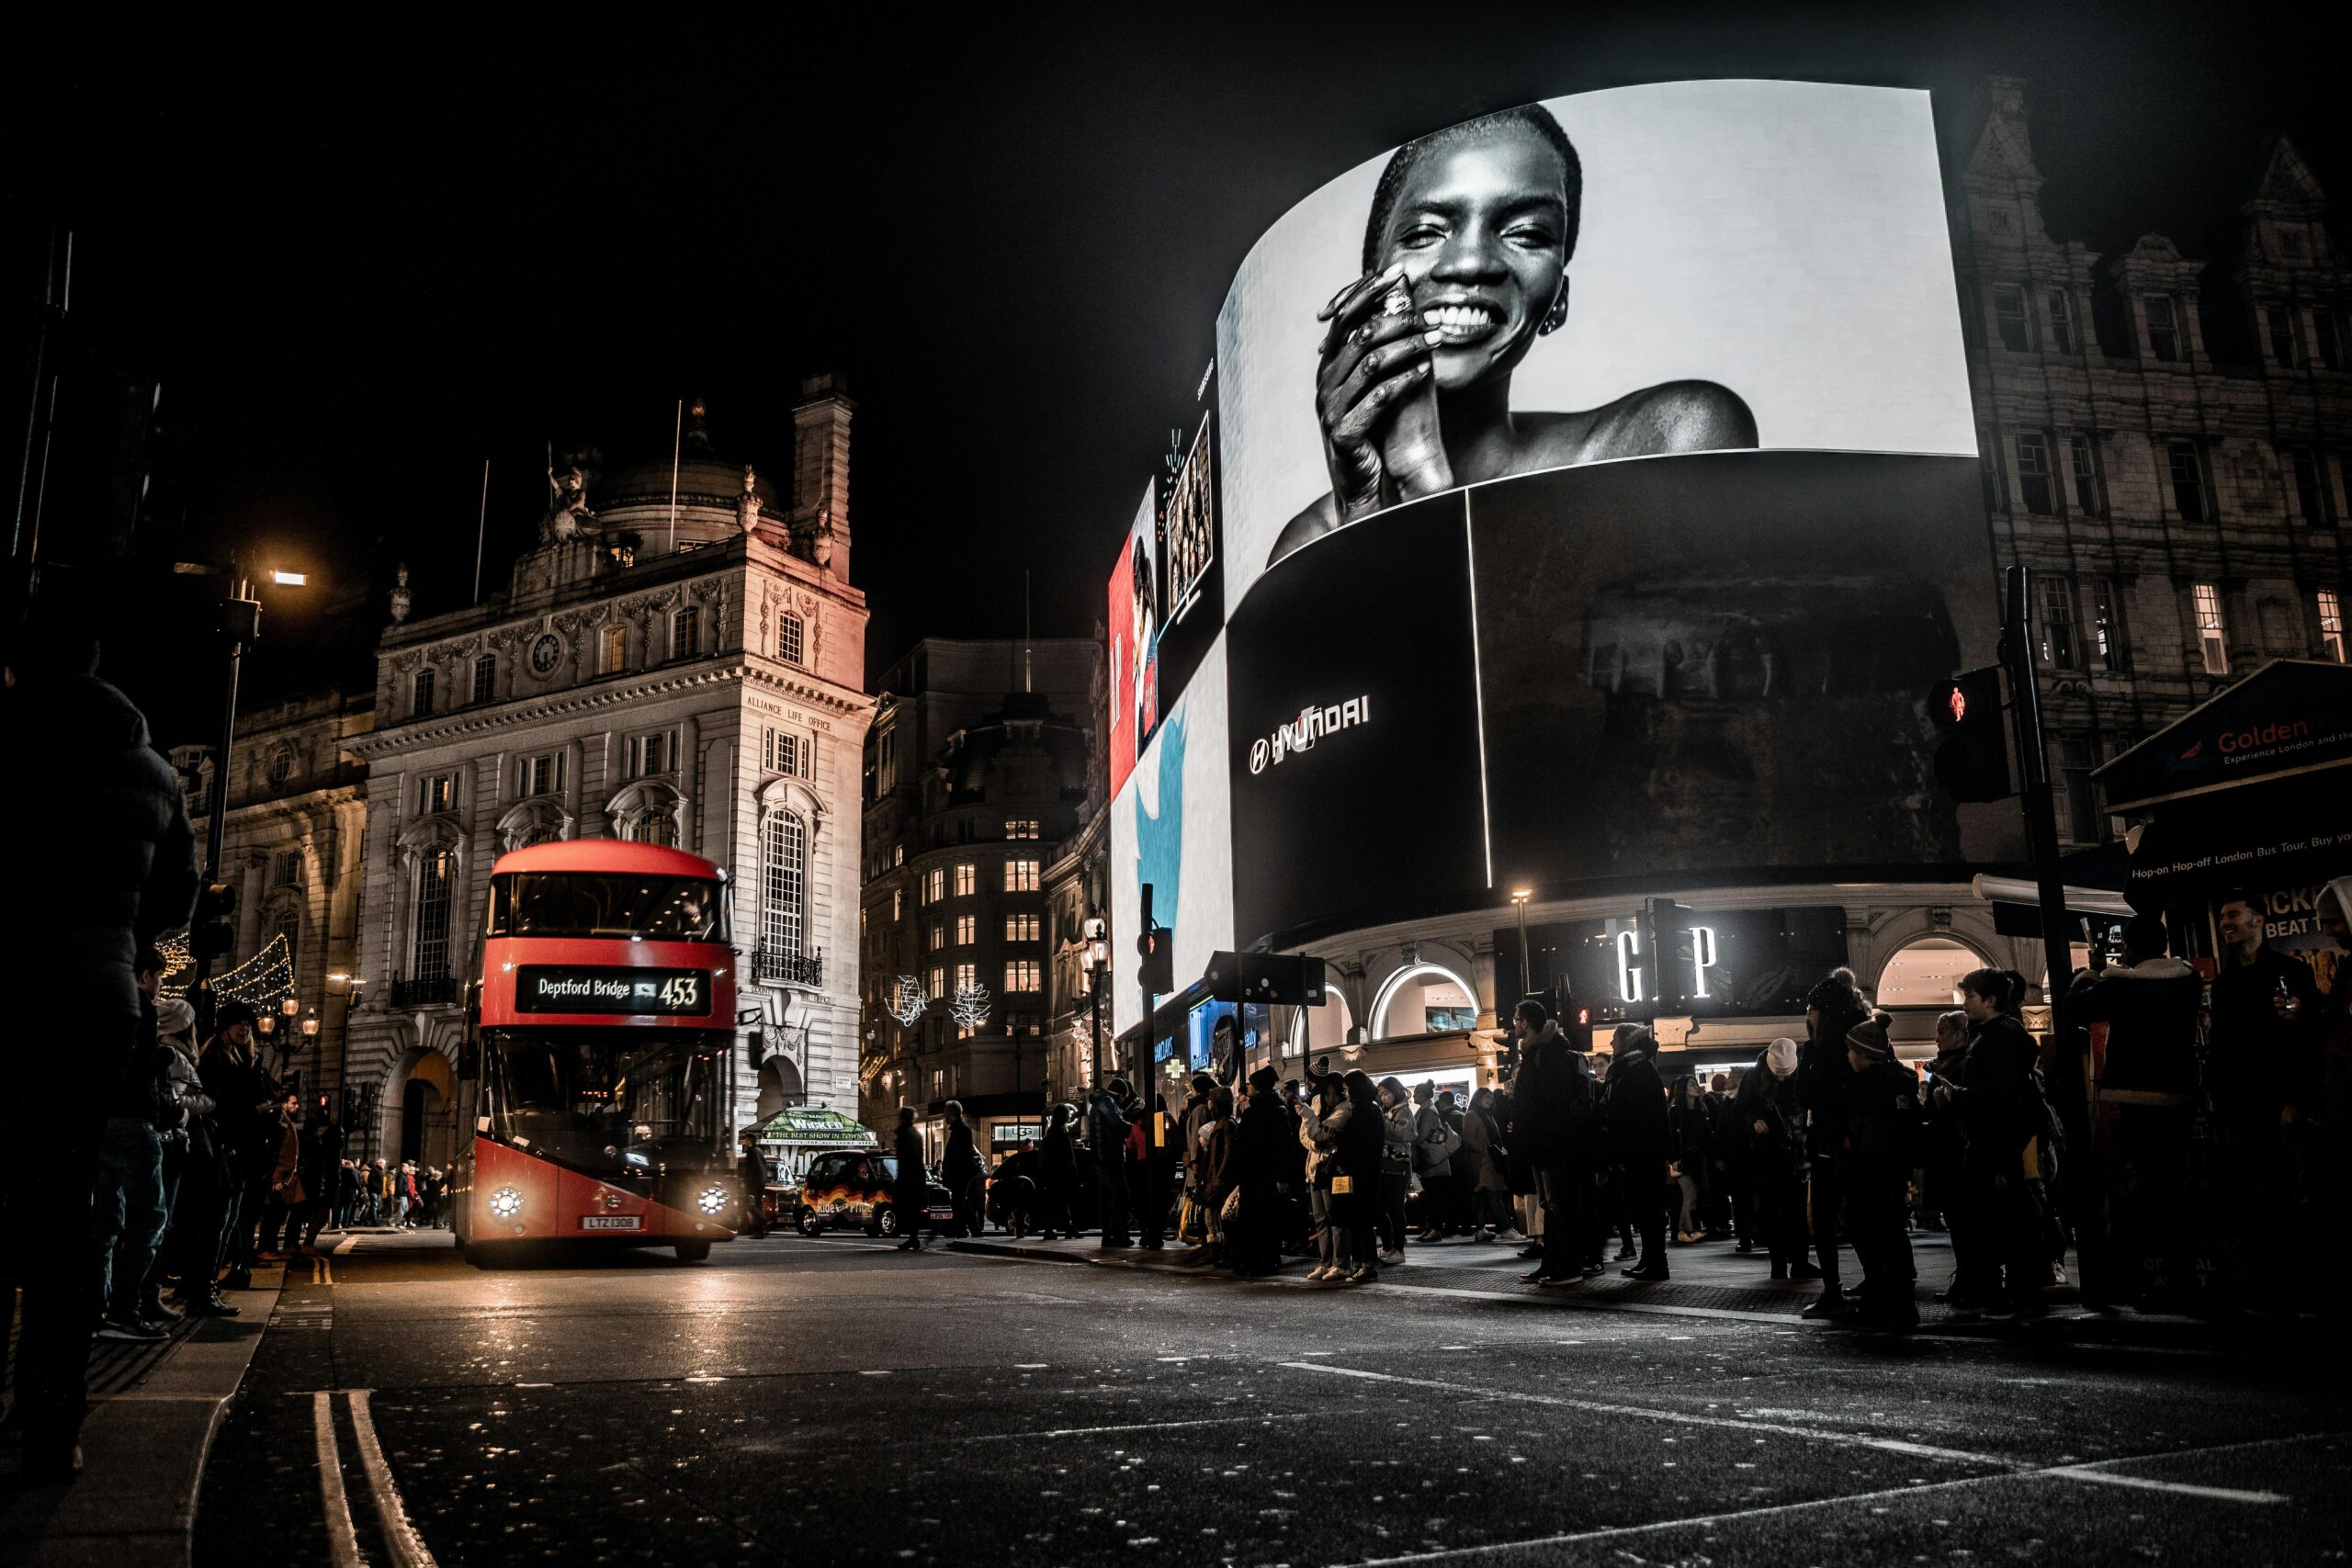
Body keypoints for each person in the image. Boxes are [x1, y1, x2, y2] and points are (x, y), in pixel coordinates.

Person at [1273, 102, 1758, 566]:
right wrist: (1366, 516)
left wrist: (1422, 492)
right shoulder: (1311, 541)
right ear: (1366, 284)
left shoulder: (1668, 441)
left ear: (1558, 299)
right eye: (1425, 233)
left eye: (1526, 233)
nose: (1471, 263)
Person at [0, 592, 201, 1483]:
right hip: (97, 997)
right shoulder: (151, 771)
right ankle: (52, 1424)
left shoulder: (6, 731)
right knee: (65, 1208)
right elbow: (176, 901)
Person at [2065, 915, 2200, 1308]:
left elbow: (2076, 1008)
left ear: (2129, 947)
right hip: (2179, 1090)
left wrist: (2090, 975)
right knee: (2173, 1185)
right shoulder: (2187, 981)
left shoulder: (2123, 987)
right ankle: (2183, 1277)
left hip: (2135, 1093)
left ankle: (2141, 1279)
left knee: (2141, 1187)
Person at [2209, 891, 2324, 1301]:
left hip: (2279, 1100)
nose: (2226, 922)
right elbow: (2220, 1045)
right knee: (2253, 1193)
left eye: (2233, 914)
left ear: (2258, 919)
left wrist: (2294, 1099)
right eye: (2222, 916)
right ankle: (2267, 1284)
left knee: (2287, 1192)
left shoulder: (2289, 972)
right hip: (2241, 1102)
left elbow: (2308, 1041)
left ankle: (2299, 1283)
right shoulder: (2225, 984)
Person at [1939, 969, 2051, 1319]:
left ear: (1990, 1000)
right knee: (2000, 1218)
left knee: (1993, 1220)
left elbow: (1996, 1095)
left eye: (1970, 996)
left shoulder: (1994, 1039)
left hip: (1992, 1141)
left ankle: (2005, 1296)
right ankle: (2013, 1293)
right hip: (1998, 1139)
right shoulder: (1995, 1035)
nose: (1965, 1002)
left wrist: (1954, 1094)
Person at [94, 964, 185, 1342]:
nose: (161, 985)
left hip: (101, 1122)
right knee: (150, 1219)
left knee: (105, 1224)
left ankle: (96, 1310)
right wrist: (161, 1059)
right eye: (160, 977)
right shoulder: (141, 1007)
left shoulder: (99, 998)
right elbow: (139, 1064)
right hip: (133, 1121)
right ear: (146, 975)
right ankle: (124, 1310)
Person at [1797, 969, 1871, 1316]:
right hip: (1859, 1140)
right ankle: (1876, 1278)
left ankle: (1832, 1290)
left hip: (1829, 1138)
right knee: (1860, 1214)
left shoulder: (1819, 1049)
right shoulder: (1859, 1041)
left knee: (1824, 1219)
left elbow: (1805, 1095)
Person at [1841, 1012, 1922, 1329]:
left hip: (1872, 1169)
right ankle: (1897, 1297)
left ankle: (1886, 1297)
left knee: (1874, 1231)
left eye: (1851, 1050)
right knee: (1889, 1232)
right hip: (1889, 1169)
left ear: (1865, 1054)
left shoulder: (1869, 1086)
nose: (1847, 1056)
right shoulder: (1897, 1081)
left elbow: (1869, 1132)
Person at [1510, 1000, 1597, 1285]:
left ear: (1527, 1023)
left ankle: (1568, 1266)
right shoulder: (1537, 1051)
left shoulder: (1548, 1053)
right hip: (1543, 1143)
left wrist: (1538, 1134)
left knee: (1561, 1204)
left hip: (1554, 1144)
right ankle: (1551, 1263)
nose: (1514, 1023)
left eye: (1517, 1018)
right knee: (1551, 1205)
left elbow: (1550, 1103)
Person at [1735, 1037, 1812, 1281]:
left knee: (1796, 1212)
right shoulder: (1753, 1078)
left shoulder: (1799, 1076)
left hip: (1795, 1150)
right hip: (1768, 1153)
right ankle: (1779, 1264)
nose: (1781, 1078)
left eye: (1785, 1074)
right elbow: (1740, 1111)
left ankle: (1799, 1262)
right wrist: (1753, 1121)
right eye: (1777, 1073)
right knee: (1773, 1212)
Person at [1605, 1024, 1671, 1280]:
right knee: (1641, 1208)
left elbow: (1646, 1116)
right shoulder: (1630, 1069)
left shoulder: (1639, 1069)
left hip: (1643, 1153)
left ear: (1627, 1041)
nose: (1612, 1044)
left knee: (1649, 1208)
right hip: (1636, 1152)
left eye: (1615, 1039)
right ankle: (1649, 1258)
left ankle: (1657, 1262)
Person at [1332, 1070, 1386, 1284]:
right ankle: (1360, 1262)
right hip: (1364, 1172)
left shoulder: (1364, 1111)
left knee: (1360, 1220)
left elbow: (1357, 1144)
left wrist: (1342, 1155)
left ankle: (1367, 1264)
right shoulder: (1371, 1109)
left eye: (1346, 1089)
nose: (1345, 1094)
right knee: (1357, 1220)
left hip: (1360, 1173)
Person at [1459, 1086, 1511, 1243]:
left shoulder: (1487, 1115)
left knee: (1482, 1197)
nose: (1490, 1101)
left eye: (1491, 1098)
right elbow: (1469, 1138)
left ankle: (1481, 1229)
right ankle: (1506, 1228)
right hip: (1483, 1162)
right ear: (1478, 1099)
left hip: (1487, 1161)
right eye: (1487, 1098)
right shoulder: (1472, 1115)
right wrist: (1486, 1149)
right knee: (1494, 1195)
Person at [1408, 1081, 1457, 1243]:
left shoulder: (1428, 1111)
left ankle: (1435, 1228)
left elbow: (1420, 1135)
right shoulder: (1428, 1109)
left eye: (1416, 1093)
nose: (1414, 1096)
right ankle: (1432, 1228)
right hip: (1432, 1162)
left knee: (1433, 1196)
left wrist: (1411, 1143)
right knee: (1432, 1196)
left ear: (1422, 1094)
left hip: (1434, 1162)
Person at [1374, 1077, 1415, 1264]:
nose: (1383, 1098)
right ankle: (1388, 1247)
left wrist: (1381, 1123)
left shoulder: (1403, 1110)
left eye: (1386, 1094)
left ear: (1395, 1092)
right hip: (1384, 1166)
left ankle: (1398, 1249)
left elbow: (1403, 1133)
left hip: (1397, 1166)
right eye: (1381, 1094)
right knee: (1381, 1208)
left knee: (1396, 1209)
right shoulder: (1386, 1110)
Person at [1088, 1079, 1133, 1247]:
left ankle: (1108, 1235)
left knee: (1106, 1198)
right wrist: (1132, 1126)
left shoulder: (1098, 1103)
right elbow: (1118, 1124)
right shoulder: (1107, 1102)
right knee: (1120, 1195)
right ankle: (1119, 1234)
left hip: (1101, 1156)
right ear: (1120, 1093)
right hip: (1110, 1156)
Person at [1668, 1077, 1713, 1244]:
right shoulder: (1677, 1111)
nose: (1696, 1087)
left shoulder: (1699, 1110)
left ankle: (1687, 1229)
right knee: (1689, 1193)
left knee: (1692, 1194)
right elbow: (1672, 1136)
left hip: (1696, 1159)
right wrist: (1674, 1158)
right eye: (1692, 1085)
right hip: (1682, 1159)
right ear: (1684, 1090)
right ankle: (1686, 1229)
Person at [942, 1101, 986, 1239]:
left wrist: (953, 1172)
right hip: (959, 1174)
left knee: (959, 1203)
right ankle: (972, 1230)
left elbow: (960, 1155)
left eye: (946, 1112)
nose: (944, 1115)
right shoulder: (958, 1129)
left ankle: (964, 1231)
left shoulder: (961, 1130)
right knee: (962, 1204)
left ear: (953, 1113)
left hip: (960, 1174)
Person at [1037, 1102, 1079, 1239]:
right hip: (1060, 1172)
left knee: (1056, 1202)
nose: (1069, 1116)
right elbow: (1063, 1153)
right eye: (1067, 1114)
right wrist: (1070, 1167)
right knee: (1061, 1201)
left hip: (1054, 1172)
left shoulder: (1053, 1130)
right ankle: (1065, 1228)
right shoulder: (1059, 1131)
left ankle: (1059, 1228)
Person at [891, 1108, 928, 1252]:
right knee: (912, 1208)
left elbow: (905, 1158)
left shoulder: (905, 1134)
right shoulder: (915, 1133)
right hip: (916, 1175)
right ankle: (913, 1237)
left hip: (909, 1177)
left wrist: (901, 1179)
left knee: (906, 1206)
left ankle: (912, 1237)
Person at [737, 1132, 772, 1238]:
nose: (745, 1141)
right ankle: (759, 1232)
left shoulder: (751, 1152)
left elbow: (750, 1169)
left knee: (748, 1205)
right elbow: (765, 1167)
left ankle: (763, 1220)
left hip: (753, 1182)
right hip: (761, 1182)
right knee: (757, 1205)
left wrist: (744, 1182)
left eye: (746, 1139)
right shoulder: (760, 1151)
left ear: (750, 1140)